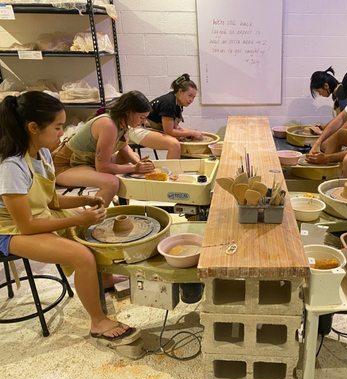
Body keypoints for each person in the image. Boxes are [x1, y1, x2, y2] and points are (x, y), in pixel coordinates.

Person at [0, 92, 138, 343]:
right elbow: (27, 225)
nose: (62, 134)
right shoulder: (12, 166)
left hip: (37, 216)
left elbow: (51, 201)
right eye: (58, 127)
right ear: (33, 128)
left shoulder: (42, 154)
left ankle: (103, 279)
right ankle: (98, 322)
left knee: (92, 233)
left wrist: (85, 201)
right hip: (9, 230)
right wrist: (77, 219)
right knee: (81, 255)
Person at [53, 91, 155, 207]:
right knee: (111, 182)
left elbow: (125, 149)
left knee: (128, 158)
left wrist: (140, 163)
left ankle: (121, 204)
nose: (144, 122)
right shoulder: (108, 124)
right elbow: (103, 168)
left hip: (85, 163)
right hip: (64, 167)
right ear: (128, 112)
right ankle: (92, 219)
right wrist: (134, 168)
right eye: (141, 117)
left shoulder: (121, 123)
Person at [127, 74, 203, 159]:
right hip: (136, 128)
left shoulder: (178, 103)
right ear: (180, 92)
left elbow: (175, 127)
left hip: (147, 128)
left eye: (193, 97)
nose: (191, 100)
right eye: (189, 96)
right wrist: (191, 132)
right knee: (174, 144)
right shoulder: (169, 102)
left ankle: (176, 168)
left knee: (181, 139)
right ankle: (171, 171)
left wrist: (190, 133)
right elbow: (169, 131)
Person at [309, 66, 347, 148]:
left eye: (319, 91)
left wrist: (332, 135)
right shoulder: (339, 90)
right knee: (324, 140)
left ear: (326, 86)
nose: (320, 94)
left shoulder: (341, 93)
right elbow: (339, 118)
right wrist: (322, 127)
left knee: (324, 145)